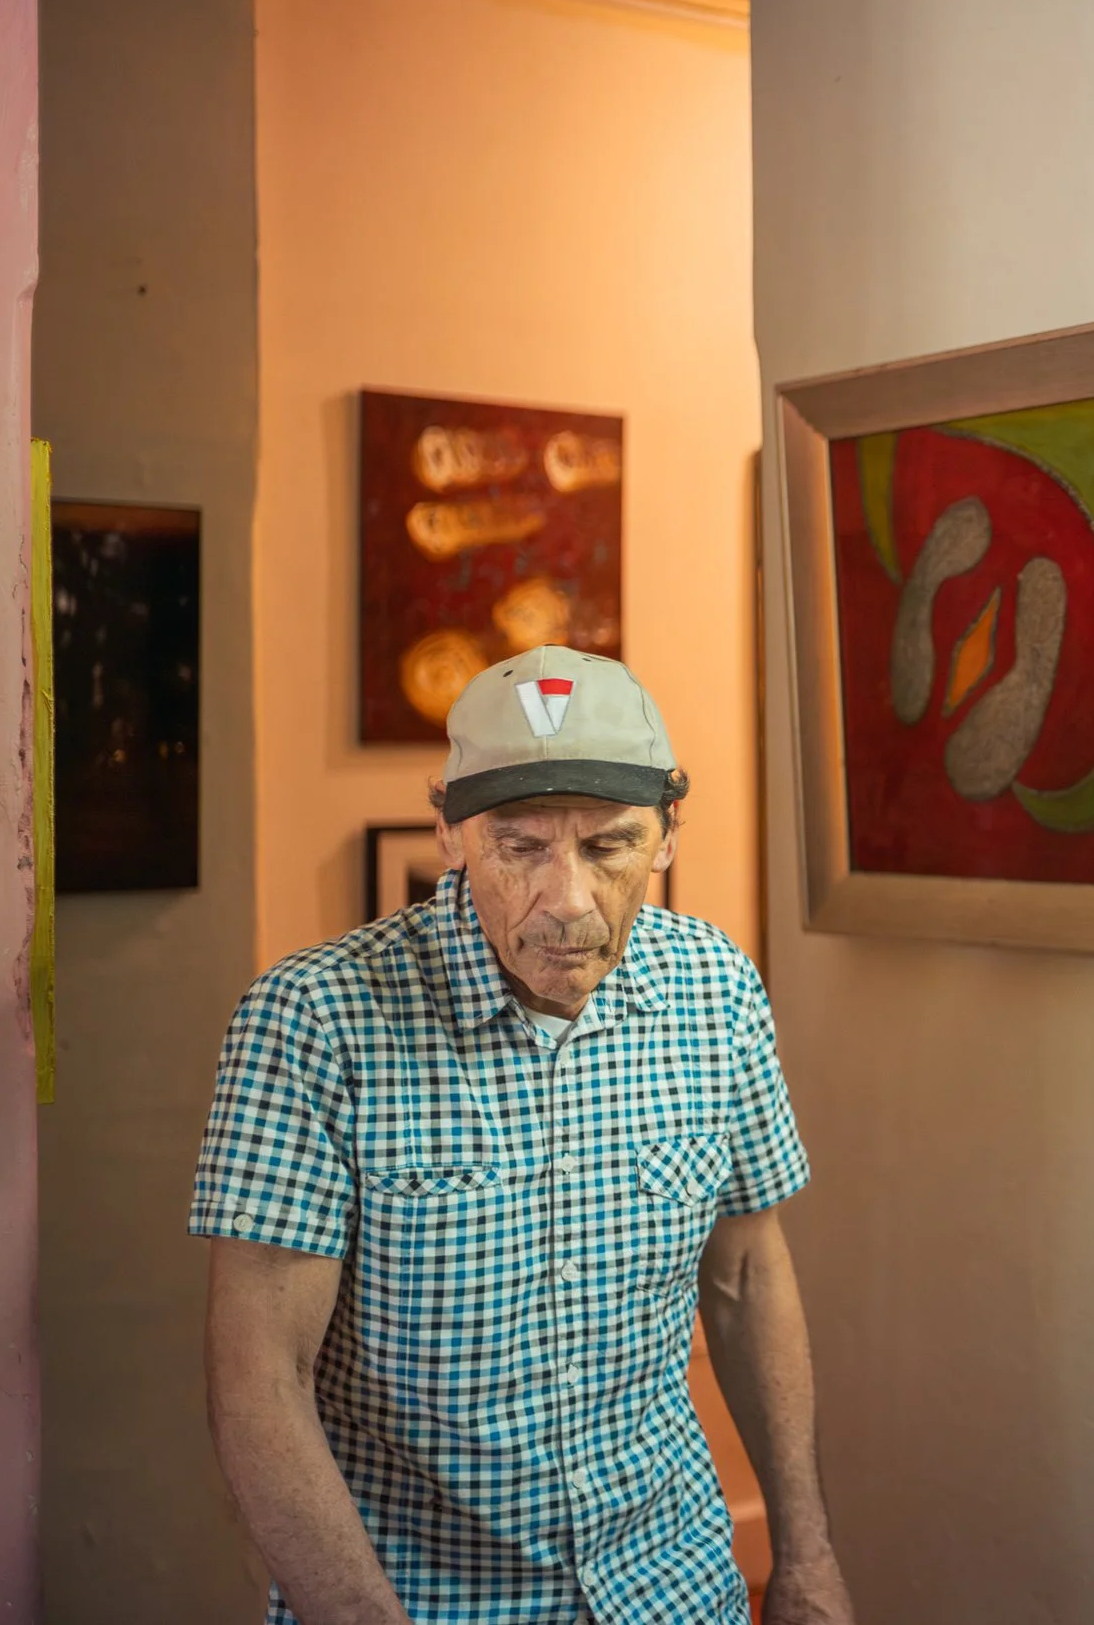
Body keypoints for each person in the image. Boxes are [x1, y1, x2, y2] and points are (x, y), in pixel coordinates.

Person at [191, 645, 853, 1625]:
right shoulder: (314, 1020)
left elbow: (748, 1276)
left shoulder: (716, 989)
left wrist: (803, 1556)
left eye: (609, 846)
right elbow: (258, 1378)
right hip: (418, 1601)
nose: (569, 902)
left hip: (673, 1588)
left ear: (669, 828)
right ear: (449, 830)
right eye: (521, 847)